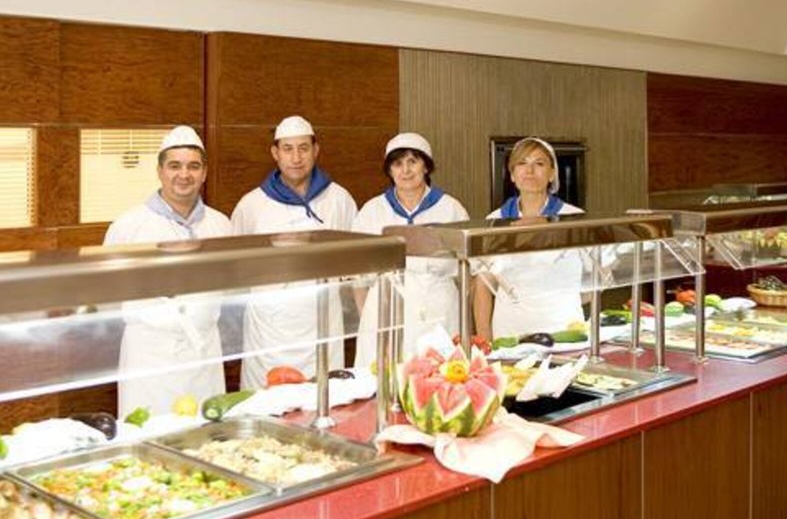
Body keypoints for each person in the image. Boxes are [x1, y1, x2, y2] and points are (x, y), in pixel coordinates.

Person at [104, 125, 230, 416]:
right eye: (175, 166)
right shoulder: (129, 225)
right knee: (149, 432)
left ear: (204, 173)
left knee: (206, 432)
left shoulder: (221, 224)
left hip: (204, 352)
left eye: (193, 166)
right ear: (160, 171)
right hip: (150, 355)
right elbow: (110, 294)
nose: (184, 175)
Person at [231, 115, 357, 388]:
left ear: (316, 150)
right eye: (288, 149)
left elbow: (354, 266)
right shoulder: (251, 205)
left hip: (323, 324)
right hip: (268, 331)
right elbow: (238, 269)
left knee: (324, 401)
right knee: (268, 404)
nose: (296, 157)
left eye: (303, 148)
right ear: (275, 153)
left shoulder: (339, 199)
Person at [352, 132, 469, 366]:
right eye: (397, 164)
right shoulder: (372, 211)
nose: (405, 170)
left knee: (441, 379)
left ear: (426, 166)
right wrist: (370, 319)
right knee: (382, 381)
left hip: (439, 314)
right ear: (389, 170)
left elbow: (469, 273)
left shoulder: (451, 209)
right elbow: (358, 279)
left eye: (412, 162)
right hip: (385, 313)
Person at [474, 136, 585, 339]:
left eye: (539, 163)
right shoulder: (494, 221)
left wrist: (563, 302)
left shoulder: (574, 218)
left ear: (552, 174)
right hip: (509, 332)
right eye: (522, 163)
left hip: (563, 329)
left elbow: (597, 280)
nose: (530, 170)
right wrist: (484, 338)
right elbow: (482, 285)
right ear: (512, 175)